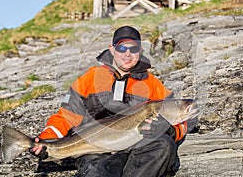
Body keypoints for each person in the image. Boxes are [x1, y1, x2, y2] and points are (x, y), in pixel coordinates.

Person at [30, 26, 188, 177]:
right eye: (121, 48)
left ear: (140, 51)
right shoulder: (89, 79)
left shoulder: (152, 84)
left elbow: (180, 116)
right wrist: (46, 139)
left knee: (164, 145)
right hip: (97, 150)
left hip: (137, 147)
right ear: (112, 50)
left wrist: (170, 129)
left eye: (133, 49)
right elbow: (66, 116)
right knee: (95, 170)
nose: (127, 54)